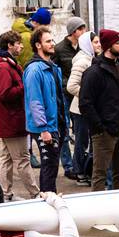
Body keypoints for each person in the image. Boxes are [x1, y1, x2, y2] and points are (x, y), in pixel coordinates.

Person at [78, 28, 119, 190]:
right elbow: (85, 103)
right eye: (118, 43)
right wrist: (100, 127)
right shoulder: (94, 72)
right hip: (105, 131)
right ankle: (96, 210)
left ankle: (118, 207)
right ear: (108, 46)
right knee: (100, 173)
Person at [0, 30, 38, 201]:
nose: (22, 46)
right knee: (23, 159)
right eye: (18, 43)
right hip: (12, 120)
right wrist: (24, 86)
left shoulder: (7, 64)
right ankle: (35, 193)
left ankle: (5, 192)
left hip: (8, 120)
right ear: (10, 45)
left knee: (7, 158)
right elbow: (4, 93)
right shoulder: (3, 67)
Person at [24, 26, 66, 195]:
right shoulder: (35, 70)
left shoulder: (52, 67)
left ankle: (51, 196)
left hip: (57, 123)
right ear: (38, 45)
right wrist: (43, 129)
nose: (52, 44)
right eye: (48, 41)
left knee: (53, 165)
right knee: (49, 166)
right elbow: (35, 101)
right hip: (46, 127)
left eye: (52, 40)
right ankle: (48, 198)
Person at [53, 16, 87, 179]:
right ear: (74, 32)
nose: (84, 31)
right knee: (64, 130)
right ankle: (67, 165)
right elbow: (53, 71)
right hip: (64, 94)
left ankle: (78, 164)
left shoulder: (84, 48)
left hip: (78, 94)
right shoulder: (59, 49)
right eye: (81, 29)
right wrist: (65, 84)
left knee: (80, 131)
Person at [66, 30, 98, 185]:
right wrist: (88, 96)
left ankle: (86, 170)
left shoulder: (91, 58)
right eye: (95, 42)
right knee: (82, 142)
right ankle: (79, 172)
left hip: (87, 109)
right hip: (80, 109)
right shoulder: (82, 62)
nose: (99, 45)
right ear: (88, 44)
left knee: (89, 141)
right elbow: (71, 86)